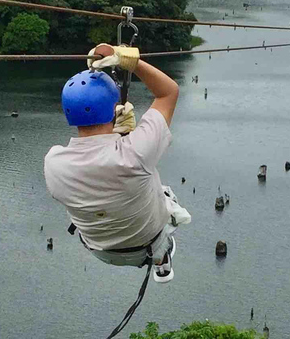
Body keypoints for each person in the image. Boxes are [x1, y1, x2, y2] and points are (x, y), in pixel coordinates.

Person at [43, 43, 189, 283]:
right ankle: (162, 261)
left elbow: (101, 165)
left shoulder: (53, 162)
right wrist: (129, 61)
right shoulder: (136, 152)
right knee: (164, 195)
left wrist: (119, 137)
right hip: (148, 246)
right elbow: (168, 92)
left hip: (101, 250)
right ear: (114, 109)